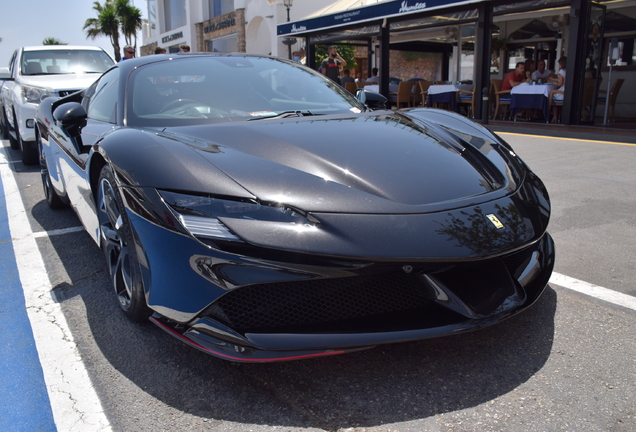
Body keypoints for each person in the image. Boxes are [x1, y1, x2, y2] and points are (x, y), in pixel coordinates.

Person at [550, 56, 567, 123]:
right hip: (566, 91)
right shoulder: (567, 71)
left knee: (552, 97)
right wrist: (554, 79)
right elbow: (562, 79)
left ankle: (554, 116)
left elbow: (560, 83)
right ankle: (558, 116)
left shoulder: (562, 71)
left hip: (562, 92)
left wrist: (554, 83)